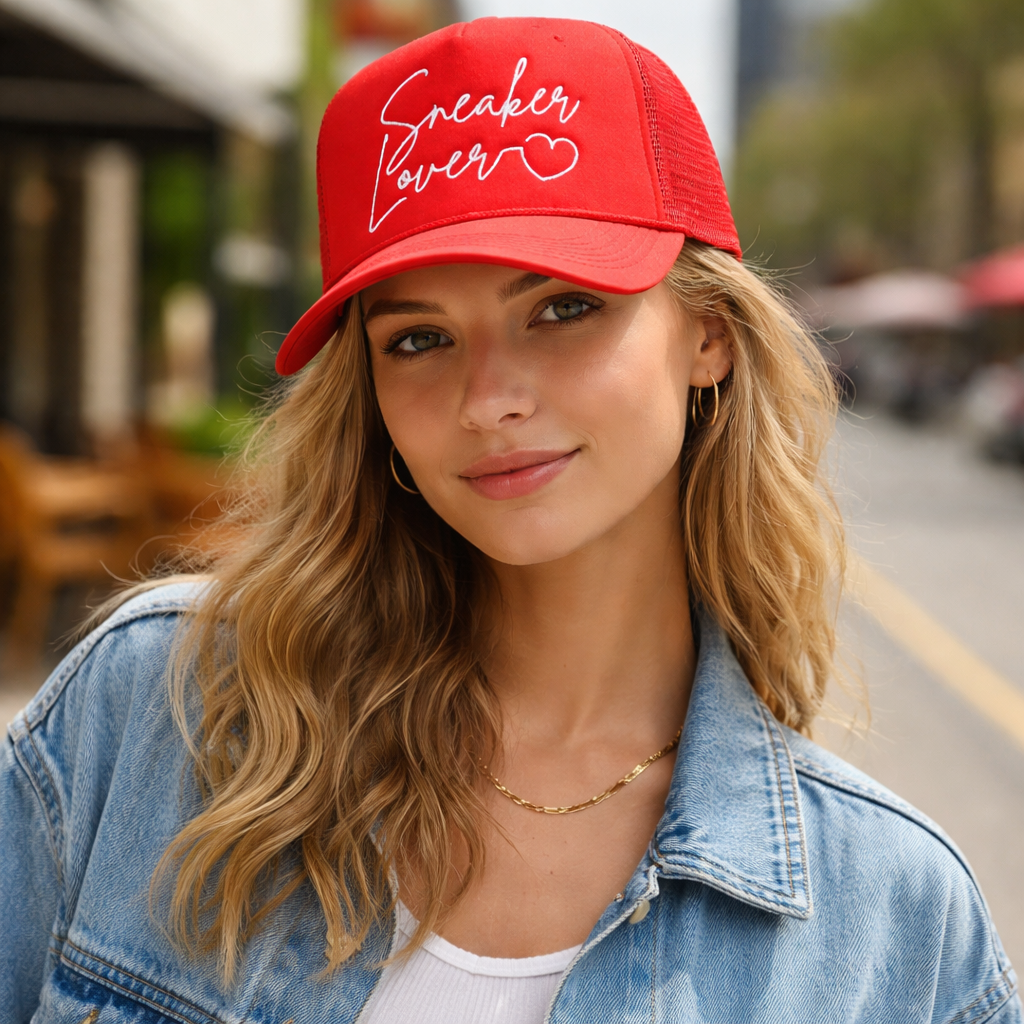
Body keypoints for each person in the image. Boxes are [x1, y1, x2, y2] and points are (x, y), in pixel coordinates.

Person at [1, 17, 1019, 1024]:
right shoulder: (156, 714)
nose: (488, 398)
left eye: (563, 308)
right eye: (418, 337)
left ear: (706, 334)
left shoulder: (893, 924)